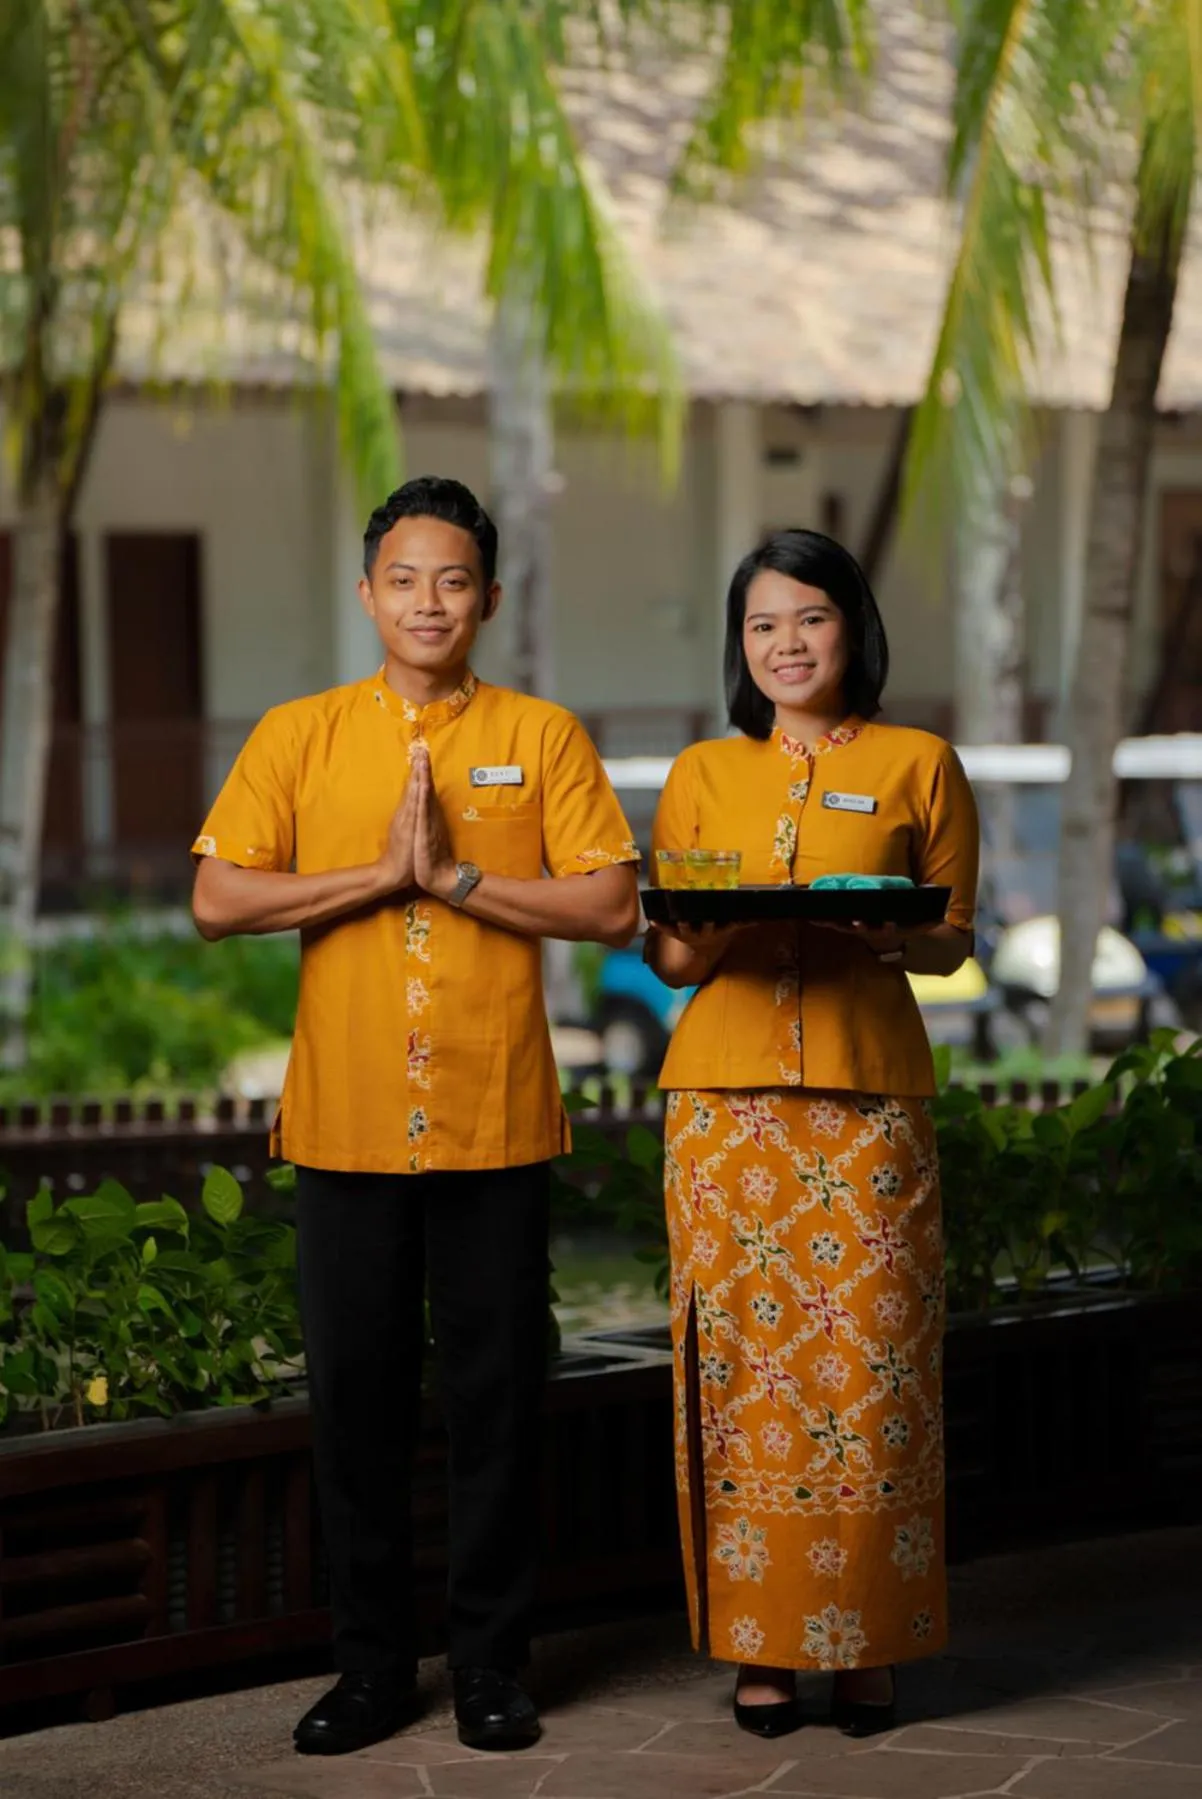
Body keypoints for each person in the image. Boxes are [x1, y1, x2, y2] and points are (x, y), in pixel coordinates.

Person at [191, 476, 640, 1757]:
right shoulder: (299, 734)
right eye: (404, 576)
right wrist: (374, 876)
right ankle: (372, 1669)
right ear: (367, 593)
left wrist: (452, 876)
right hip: (343, 1124)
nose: (427, 599)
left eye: (453, 579)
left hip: (496, 1120)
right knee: (357, 1404)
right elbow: (220, 897)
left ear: (488, 597)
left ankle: (495, 1664)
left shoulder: (542, 736)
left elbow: (610, 905)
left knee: (499, 1399)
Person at [645, 529, 979, 1740]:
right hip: (722, 1110)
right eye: (760, 625)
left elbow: (952, 932)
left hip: (867, 1098)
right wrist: (718, 924)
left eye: (808, 618)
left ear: (852, 626)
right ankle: (760, 1649)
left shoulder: (918, 761)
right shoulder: (697, 774)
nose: (785, 644)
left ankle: (872, 1643)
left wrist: (894, 937)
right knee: (743, 1382)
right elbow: (671, 955)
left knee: (875, 1370)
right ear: (740, 646)